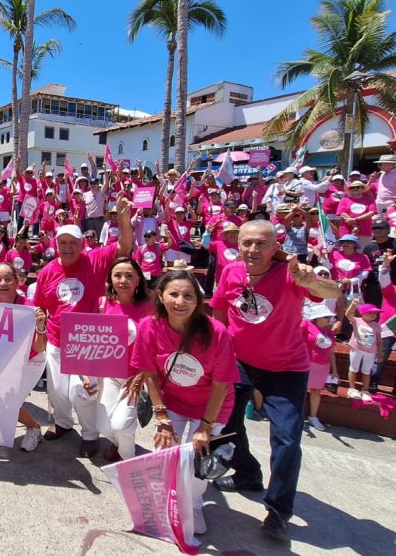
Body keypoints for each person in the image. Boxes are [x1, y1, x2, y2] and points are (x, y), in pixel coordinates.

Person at [210, 219, 340, 541]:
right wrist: (218, 353)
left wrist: (311, 280)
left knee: (286, 440)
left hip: (286, 370)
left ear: (275, 247)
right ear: (238, 245)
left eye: (261, 244)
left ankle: (278, 511)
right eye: (247, 243)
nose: (253, 250)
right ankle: (247, 474)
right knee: (224, 424)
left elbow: (331, 290)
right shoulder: (230, 272)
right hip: (239, 362)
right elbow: (221, 314)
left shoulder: (291, 274)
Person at [132, 270, 239, 535]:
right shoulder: (149, 325)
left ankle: (193, 504)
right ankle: (165, 502)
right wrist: (161, 416)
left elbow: (221, 384)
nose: (180, 301)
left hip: (212, 407)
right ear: (161, 295)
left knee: (195, 461)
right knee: (164, 455)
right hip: (172, 402)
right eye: (174, 294)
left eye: (188, 295)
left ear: (199, 300)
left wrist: (205, 426)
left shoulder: (217, 331)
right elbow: (150, 373)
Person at [34, 197, 133, 458]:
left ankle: (90, 435)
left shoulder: (95, 261)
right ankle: (64, 424)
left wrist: (124, 220)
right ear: (56, 246)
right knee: (57, 392)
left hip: (85, 342)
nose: (68, 249)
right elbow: (40, 306)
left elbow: (124, 246)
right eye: (62, 243)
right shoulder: (46, 272)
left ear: (82, 245)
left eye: (73, 244)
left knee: (82, 393)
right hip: (56, 340)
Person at [0, 262, 48, 451]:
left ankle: (34, 428)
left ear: (17, 282)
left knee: (10, 401)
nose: (3, 283)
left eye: (8, 279)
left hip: (30, 361)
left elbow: (38, 346)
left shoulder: (29, 308)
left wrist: (41, 326)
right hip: (3, 363)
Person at [96, 257, 152, 461]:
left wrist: (144, 376)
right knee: (103, 425)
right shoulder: (103, 304)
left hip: (137, 377)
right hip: (111, 374)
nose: (123, 280)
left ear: (139, 279)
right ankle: (120, 444)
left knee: (120, 425)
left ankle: (128, 461)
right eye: (117, 275)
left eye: (129, 275)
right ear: (110, 279)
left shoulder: (152, 305)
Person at [301, 304, 338, 431]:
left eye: (329, 317)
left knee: (316, 391)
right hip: (307, 363)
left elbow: (331, 351)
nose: (328, 319)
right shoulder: (306, 325)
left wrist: (335, 370)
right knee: (301, 389)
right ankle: (297, 415)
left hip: (323, 365)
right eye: (325, 316)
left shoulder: (330, 332)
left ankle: (313, 416)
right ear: (316, 318)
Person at [344, 300, 382, 402]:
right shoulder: (356, 320)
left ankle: (365, 390)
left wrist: (380, 352)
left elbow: (378, 339)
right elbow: (347, 314)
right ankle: (352, 388)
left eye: (375, 313)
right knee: (353, 368)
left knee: (366, 371)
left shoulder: (376, 325)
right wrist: (353, 305)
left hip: (370, 352)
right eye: (371, 312)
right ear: (363, 313)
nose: (374, 315)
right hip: (357, 349)